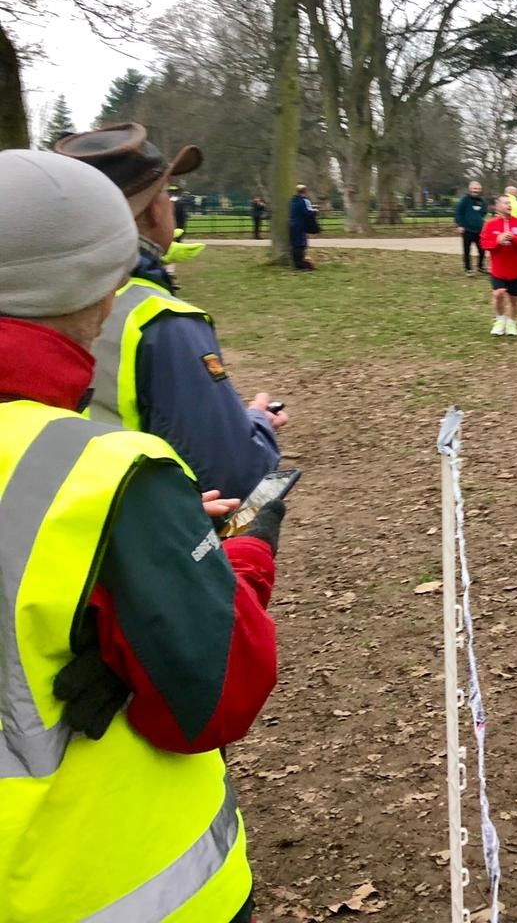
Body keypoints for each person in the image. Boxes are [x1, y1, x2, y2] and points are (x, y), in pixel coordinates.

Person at [0, 149, 282, 923]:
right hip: (103, 883)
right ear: (101, 277)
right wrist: (239, 560)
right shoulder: (110, 473)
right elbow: (216, 698)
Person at [54, 122, 287, 502]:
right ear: (150, 212)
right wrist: (258, 423)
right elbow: (230, 473)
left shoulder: (30, 303)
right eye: (166, 192)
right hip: (139, 525)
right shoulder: (160, 321)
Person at [480, 194, 517, 336]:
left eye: (509, 203)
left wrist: (514, 238)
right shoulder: (490, 224)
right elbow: (484, 244)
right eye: (505, 203)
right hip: (498, 269)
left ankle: (511, 324)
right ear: (497, 206)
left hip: (515, 270)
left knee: (513, 299)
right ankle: (500, 320)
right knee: (498, 294)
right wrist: (497, 241)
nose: (508, 205)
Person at [455, 179, 489, 274]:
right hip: (467, 229)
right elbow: (458, 212)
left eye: (478, 189)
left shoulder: (482, 201)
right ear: (470, 189)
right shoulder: (465, 200)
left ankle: (480, 266)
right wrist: (460, 225)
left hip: (479, 230)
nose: (476, 190)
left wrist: (479, 219)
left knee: (482, 249)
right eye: (474, 188)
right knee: (467, 250)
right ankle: (468, 268)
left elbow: (484, 212)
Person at [289, 183, 320, 270]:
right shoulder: (304, 201)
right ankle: (300, 264)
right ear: (305, 191)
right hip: (300, 224)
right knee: (301, 244)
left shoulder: (293, 200)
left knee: (295, 244)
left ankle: (297, 263)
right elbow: (307, 212)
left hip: (293, 224)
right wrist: (315, 211)